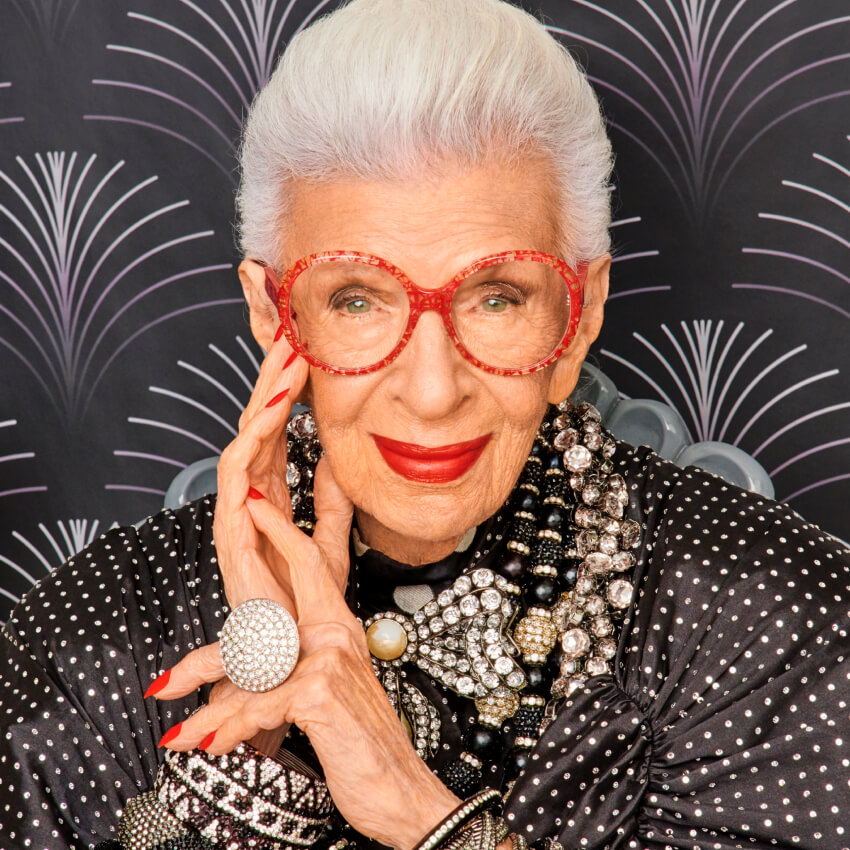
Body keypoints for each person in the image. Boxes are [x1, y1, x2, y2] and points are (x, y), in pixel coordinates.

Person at [1, 0, 848, 848]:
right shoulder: (92, 640)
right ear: (272, 314)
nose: (435, 390)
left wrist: (417, 809)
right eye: (358, 299)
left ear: (579, 315)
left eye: (497, 297)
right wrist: (253, 759)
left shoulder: (770, 615)